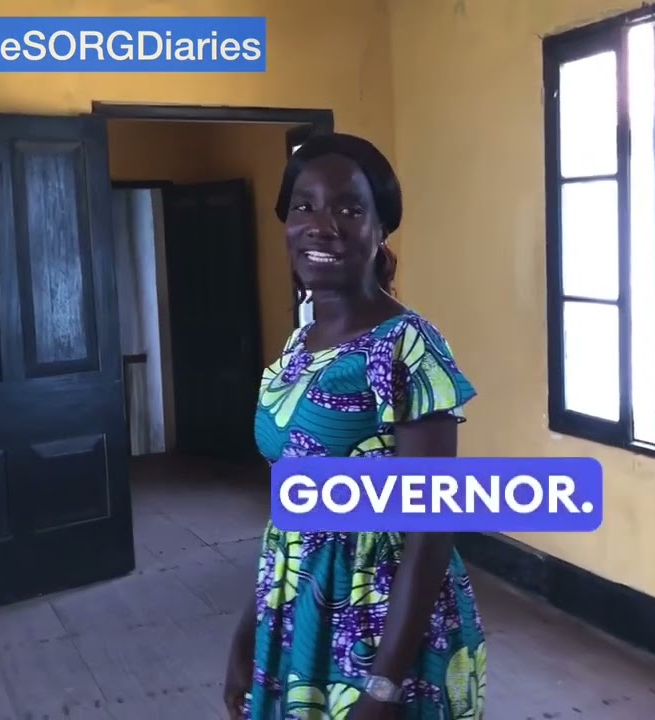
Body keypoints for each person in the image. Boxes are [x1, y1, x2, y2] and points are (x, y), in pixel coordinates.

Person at [223, 132, 488, 720]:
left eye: (348, 208)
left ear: (379, 229)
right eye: (304, 206)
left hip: (379, 623)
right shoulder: (299, 346)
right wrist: (250, 626)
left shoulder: (408, 348)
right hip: (295, 607)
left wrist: (384, 685)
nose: (322, 225)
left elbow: (431, 528)